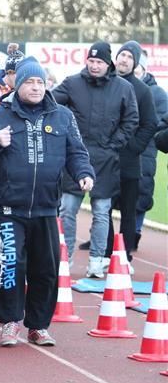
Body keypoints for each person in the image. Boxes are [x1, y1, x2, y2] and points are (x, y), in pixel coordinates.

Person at [0, 57, 95, 347]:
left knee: (46, 269)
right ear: (17, 85)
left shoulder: (63, 116)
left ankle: (38, 326)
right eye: (29, 82)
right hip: (8, 207)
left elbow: (76, 152)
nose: (35, 87)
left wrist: (84, 174)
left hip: (47, 208)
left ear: (47, 84)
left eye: (40, 82)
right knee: (11, 265)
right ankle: (10, 322)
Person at [52, 42, 138, 277]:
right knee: (67, 210)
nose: (94, 65)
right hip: (75, 157)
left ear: (108, 63)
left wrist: (113, 145)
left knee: (102, 212)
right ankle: (65, 258)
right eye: (91, 61)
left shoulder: (123, 87)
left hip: (106, 159)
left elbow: (131, 119)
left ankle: (97, 261)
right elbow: (50, 102)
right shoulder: (72, 83)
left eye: (99, 62)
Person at [102, 41, 157, 269]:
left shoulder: (143, 90)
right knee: (102, 208)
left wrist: (134, 147)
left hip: (130, 162)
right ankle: (106, 254)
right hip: (104, 160)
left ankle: (125, 256)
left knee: (128, 211)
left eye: (129, 57)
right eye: (121, 55)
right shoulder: (104, 85)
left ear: (135, 63)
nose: (124, 60)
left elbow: (149, 124)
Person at [134, 51, 168, 249]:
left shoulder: (158, 94)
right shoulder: (119, 87)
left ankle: (135, 231)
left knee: (142, 190)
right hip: (122, 148)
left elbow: (159, 126)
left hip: (145, 149)